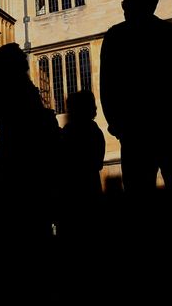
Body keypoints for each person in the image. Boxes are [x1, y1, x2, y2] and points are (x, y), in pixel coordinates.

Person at [99, 0, 172, 200]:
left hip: (136, 134)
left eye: (125, 3)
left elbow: (108, 88)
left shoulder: (116, 37)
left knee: (140, 202)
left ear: (129, 5)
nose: (123, 8)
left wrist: (119, 127)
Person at [0, 43, 61, 243]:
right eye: (21, 59)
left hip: (10, 152)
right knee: (31, 217)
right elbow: (28, 120)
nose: (25, 62)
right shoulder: (18, 88)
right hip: (27, 156)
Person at [58, 90, 106, 242]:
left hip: (72, 189)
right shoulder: (96, 132)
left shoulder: (68, 131)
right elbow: (98, 162)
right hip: (91, 184)